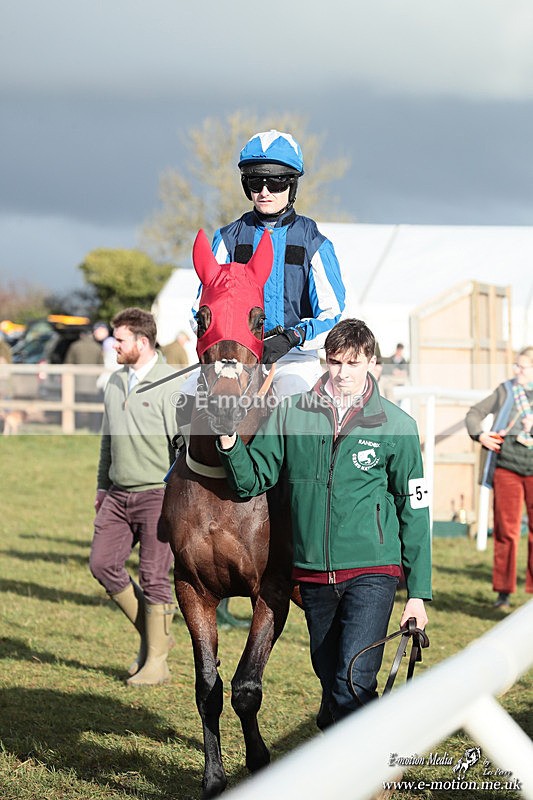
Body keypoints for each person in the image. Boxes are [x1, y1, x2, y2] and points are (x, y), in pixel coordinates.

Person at [217, 318, 431, 725]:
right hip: (313, 576)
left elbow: (415, 511)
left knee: (352, 681)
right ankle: (372, 763)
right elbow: (253, 480)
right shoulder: (291, 413)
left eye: (353, 363)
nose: (343, 373)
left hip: (372, 571)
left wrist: (417, 594)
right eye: (335, 363)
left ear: (370, 361)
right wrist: (229, 445)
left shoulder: (398, 425)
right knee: (333, 684)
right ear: (324, 361)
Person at [184, 128, 347, 626]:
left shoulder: (314, 241)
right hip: (235, 353)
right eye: (255, 180)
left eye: (275, 181)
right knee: (188, 403)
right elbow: (202, 303)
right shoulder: (227, 238)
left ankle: (307, 529)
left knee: (298, 412)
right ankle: (175, 504)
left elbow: (335, 312)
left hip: (293, 357)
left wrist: (292, 338)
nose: (264, 191)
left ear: (292, 184)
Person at [89, 307, 179, 685]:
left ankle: (155, 663)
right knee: (102, 565)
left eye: (120, 340)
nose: (114, 345)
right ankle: (157, 639)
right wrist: (101, 486)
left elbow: (182, 447)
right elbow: (108, 441)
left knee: (154, 577)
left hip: (158, 494)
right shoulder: (113, 382)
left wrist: (179, 499)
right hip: (116, 493)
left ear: (142, 342)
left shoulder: (171, 383)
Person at [465, 346, 533, 609]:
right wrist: (479, 434)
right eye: (516, 365)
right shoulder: (505, 390)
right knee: (506, 531)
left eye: (523, 367)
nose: (517, 371)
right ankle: (503, 592)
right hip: (507, 467)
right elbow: (474, 413)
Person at [64, 328, 104, 432]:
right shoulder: (98, 347)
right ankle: (94, 428)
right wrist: (95, 376)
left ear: (81, 335)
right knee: (94, 409)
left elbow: (68, 363)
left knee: (75, 407)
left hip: (77, 382)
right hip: (92, 384)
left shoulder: (74, 346)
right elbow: (101, 365)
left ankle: (76, 426)